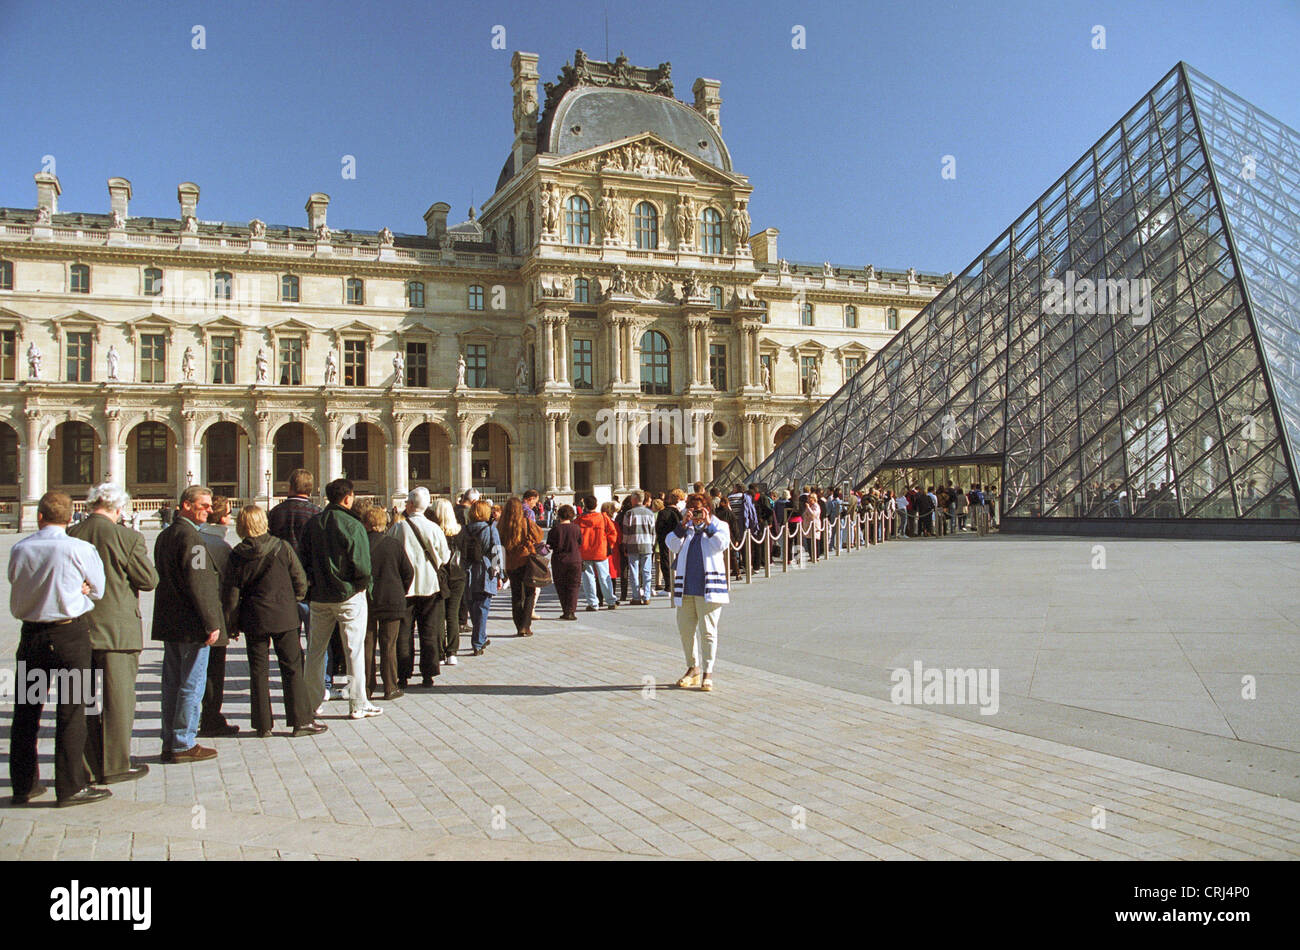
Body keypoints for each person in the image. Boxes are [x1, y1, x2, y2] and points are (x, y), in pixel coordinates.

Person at [9, 491, 111, 807]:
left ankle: (23, 785)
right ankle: (69, 787)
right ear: (71, 518)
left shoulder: (20, 548)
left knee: (26, 712)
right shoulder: (80, 548)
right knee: (72, 710)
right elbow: (99, 589)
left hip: (32, 636)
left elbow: (16, 580)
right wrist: (78, 588)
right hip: (70, 636)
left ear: (40, 516)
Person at [68, 483, 158, 786]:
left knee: (82, 700)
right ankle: (115, 764)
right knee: (118, 700)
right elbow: (148, 580)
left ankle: (87, 765)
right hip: (117, 630)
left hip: (78, 627)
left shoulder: (72, 535)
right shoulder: (126, 536)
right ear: (119, 509)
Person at [223, 504, 325, 737]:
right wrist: (292, 601)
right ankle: (301, 721)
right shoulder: (282, 547)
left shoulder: (238, 554)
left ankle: (262, 724)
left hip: (253, 617)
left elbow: (232, 593)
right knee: (291, 668)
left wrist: (232, 622)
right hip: (284, 615)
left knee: (258, 671)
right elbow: (300, 580)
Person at [153, 485, 224, 764]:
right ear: (186, 505)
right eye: (204, 505)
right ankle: (183, 741)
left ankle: (169, 738)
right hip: (191, 622)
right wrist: (211, 621)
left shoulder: (165, 535)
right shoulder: (192, 538)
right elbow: (199, 582)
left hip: (169, 619)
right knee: (191, 682)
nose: (209, 510)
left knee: (171, 683)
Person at [299, 478, 380, 719]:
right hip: (348, 595)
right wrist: (360, 587)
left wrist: (313, 584)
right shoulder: (352, 524)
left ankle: (311, 703)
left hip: (319, 597)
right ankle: (358, 703)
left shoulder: (313, 523)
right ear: (347, 498)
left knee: (315, 651)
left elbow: (302, 559)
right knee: (354, 649)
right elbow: (363, 566)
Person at [665, 493, 730, 692]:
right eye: (691, 509)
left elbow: (721, 544)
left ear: (708, 509)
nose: (695, 513)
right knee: (686, 631)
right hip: (686, 589)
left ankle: (708, 672)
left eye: (699, 509)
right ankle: (693, 668)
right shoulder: (688, 529)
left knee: (708, 632)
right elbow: (671, 543)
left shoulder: (719, 525)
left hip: (708, 588)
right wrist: (682, 526)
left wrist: (708, 525)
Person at [393, 487, 449, 687]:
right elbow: (445, 557)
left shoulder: (399, 528)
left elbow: (392, 553)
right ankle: (428, 673)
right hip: (430, 585)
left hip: (405, 587)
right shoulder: (434, 528)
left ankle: (403, 674)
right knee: (429, 631)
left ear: (409, 504)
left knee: (404, 632)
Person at [197, 495, 238, 738]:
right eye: (229, 513)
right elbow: (229, 585)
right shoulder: (221, 547)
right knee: (213, 671)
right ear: (221, 518)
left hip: (193, 614)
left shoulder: (196, 540)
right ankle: (210, 717)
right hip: (215, 615)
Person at [363, 505, 413, 700]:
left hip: (367, 599)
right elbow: (408, 571)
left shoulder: (361, 544)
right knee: (389, 645)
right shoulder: (393, 544)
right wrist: (402, 590)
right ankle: (390, 686)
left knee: (367, 645)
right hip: (392, 599)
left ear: (365, 523)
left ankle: (367, 686)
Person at [501, 496, 546, 636]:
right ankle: (525, 626)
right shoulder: (526, 523)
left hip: (510, 563)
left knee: (516, 594)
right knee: (529, 593)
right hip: (525, 560)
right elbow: (539, 536)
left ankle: (519, 624)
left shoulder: (501, 525)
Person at [463, 500, 504, 655]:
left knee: (473, 607)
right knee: (482, 607)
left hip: (467, 571)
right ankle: (478, 642)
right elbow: (497, 552)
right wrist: (500, 575)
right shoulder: (490, 529)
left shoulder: (464, 530)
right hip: (485, 570)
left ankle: (481, 636)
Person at [430, 498, 467, 664]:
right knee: (453, 614)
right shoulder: (460, 531)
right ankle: (452, 652)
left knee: (439, 614)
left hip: (439, 575)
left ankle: (438, 652)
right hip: (458, 576)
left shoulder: (432, 531)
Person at [577, 495, 618, 611]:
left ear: (585, 505)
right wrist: (609, 545)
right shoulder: (603, 518)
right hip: (601, 552)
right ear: (596, 505)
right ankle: (611, 601)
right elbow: (613, 533)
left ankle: (593, 603)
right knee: (605, 577)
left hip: (585, 553)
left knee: (588, 578)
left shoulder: (579, 520)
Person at [547, 505, 583, 620]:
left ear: (559, 515)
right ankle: (571, 611)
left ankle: (565, 610)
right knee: (574, 586)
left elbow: (550, 545)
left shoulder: (555, 530)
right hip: (575, 559)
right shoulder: (577, 528)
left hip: (559, 560)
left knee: (561, 586)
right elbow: (580, 542)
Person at [620, 492, 656, 605]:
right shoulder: (650, 513)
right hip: (647, 544)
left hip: (632, 544)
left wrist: (624, 544)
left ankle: (636, 596)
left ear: (634, 500)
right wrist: (652, 544)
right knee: (646, 571)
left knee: (634, 571)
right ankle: (646, 596)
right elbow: (653, 532)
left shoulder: (629, 514)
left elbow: (626, 531)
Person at [654, 489, 684, 594]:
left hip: (665, 541)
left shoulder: (663, 513)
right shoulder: (679, 513)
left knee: (665, 562)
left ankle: (669, 586)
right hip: (678, 541)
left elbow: (658, 528)